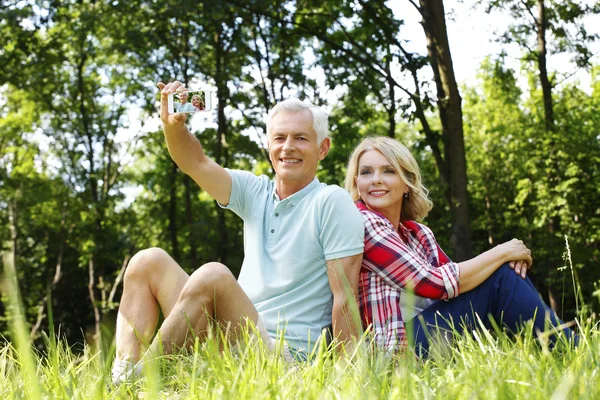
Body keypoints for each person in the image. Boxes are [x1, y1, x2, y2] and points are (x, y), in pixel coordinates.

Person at [111, 81, 364, 384]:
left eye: (301, 138)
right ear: (268, 147)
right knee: (146, 261)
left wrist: (347, 377)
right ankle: (124, 374)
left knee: (214, 276)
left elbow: (345, 297)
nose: (288, 147)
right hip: (230, 343)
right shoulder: (254, 192)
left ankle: (139, 383)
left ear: (323, 148)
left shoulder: (331, 201)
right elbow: (195, 162)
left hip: (283, 362)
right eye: (280, 137)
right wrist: (174, 127)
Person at [344, 136, 576, 355]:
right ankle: (573, 351)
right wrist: (503, 252)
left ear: (407, 184)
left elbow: (462, 282)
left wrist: (502, 261)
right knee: (502, 278)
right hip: (396, 352)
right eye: (366, 172)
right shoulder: (364, 222)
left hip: (426, 335)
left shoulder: (417, 233)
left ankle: (560, 349)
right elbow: (432, 282)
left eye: (388, 170)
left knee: (502, 275)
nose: (375, 179)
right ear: (357, 183)